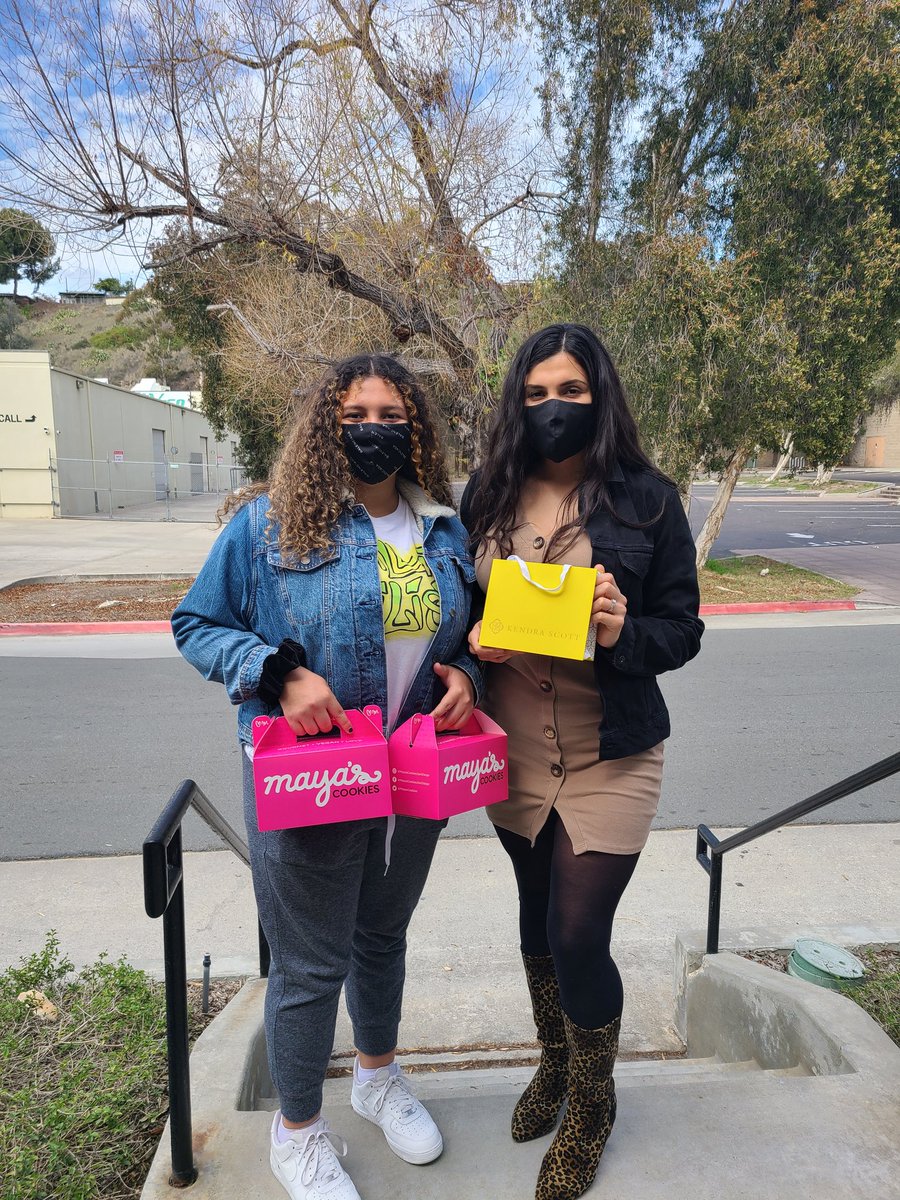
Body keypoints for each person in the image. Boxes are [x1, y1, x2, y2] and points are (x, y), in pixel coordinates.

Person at [172, 354, 481, 1200]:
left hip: (412, 783)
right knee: (310, 966)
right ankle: (298, 1130)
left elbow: (462, 645)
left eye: (392, 412)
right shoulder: (268, 526)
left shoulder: (443, 533)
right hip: (312, 783)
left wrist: (465, 681)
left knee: (383, 939)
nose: (373, 426)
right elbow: (196, 622)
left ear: (416, 429)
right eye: (355, 412)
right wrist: (277, 672)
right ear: (325, 423)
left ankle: (378, 1078)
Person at [460, 323, 703, 1200]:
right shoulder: (486, 495)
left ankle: (594, 1102)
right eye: (533, 395)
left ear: (598, 395)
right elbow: (455, 612)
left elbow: (683, 628)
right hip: (515, 749)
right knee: (534, 920)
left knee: (576, 932)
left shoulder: (647, 501)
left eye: (568, 391)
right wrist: (469, 645)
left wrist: (620, 632)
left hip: (612, 748)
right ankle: (553, 1065)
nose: (550, 408)